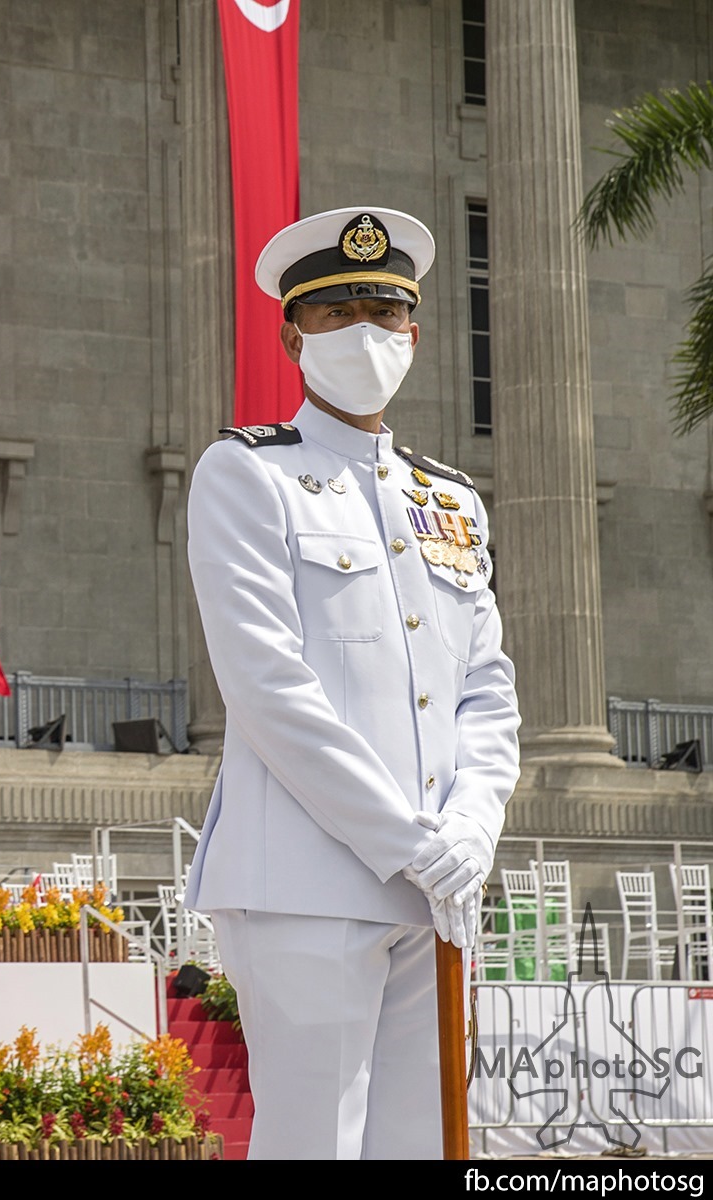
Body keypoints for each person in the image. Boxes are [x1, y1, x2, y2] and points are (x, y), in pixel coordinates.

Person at [183, 207, 521, 1158]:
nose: (364, 332)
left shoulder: (447, 500)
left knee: (418, 1143)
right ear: (294, 336)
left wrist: (470, 827)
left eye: (384, 310)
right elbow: (267, 686)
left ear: (413, 335)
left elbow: (486, 688)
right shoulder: (249, 476)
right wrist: (408, 839)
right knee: (315, 1145)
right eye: (337, 314)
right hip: (307, 879)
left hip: (438, 886)